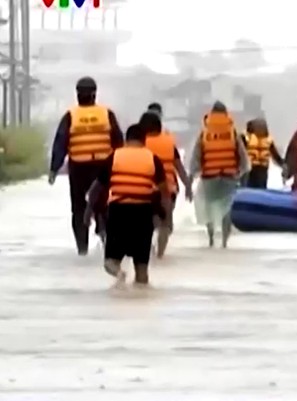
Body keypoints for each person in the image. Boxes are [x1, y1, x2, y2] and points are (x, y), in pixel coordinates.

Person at [83, 124, 170, 286]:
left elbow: (96, 188)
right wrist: (165, 218)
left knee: (110, 262)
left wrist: (88, 212)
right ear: (144, 141)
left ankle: (120, 275)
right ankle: (142, 298)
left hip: (119, 213)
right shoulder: (153, 158)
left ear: (126, 139)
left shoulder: (114, 156)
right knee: (142, 268)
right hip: (143, 214)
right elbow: (165, 192)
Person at [49, 76, 124, 255]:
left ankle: (82, 250)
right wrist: (121, 165)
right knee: (104, 203)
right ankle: (105, 237)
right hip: (103, 167)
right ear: (94, 94)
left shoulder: (70, 116)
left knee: (79, 208)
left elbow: (60, 144)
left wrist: (54, 169)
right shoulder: (106, 114)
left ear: (77, 95)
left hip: (79, 168)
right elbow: (118, 141)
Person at [190, 101, 249, 247]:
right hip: (229, 177)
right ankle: (224, 242)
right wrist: (241, 173)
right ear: (226, 114)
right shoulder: (232, 133)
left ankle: (210, 238)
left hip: (209, 177)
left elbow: (197, 156)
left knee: (208, 207)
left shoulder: (204, 133)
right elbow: (243, 157)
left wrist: (191, 176)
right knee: (226, 210)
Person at [139, 111, 193, 258]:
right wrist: (188, 186)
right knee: (166, 224)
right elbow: (179, 167)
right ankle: (160, 255)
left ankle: (148, 252)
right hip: (168, 190)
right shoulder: (169, 143)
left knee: (148, 223)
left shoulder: (139, 142)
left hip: (144, 189)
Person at [244, 118, 285, 189]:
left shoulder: (247, 138)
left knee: (249, 188)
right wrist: (282, 164)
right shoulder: (268, 140)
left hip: (251, 168)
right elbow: (275, 155)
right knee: (261, 188)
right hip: (260, 169)